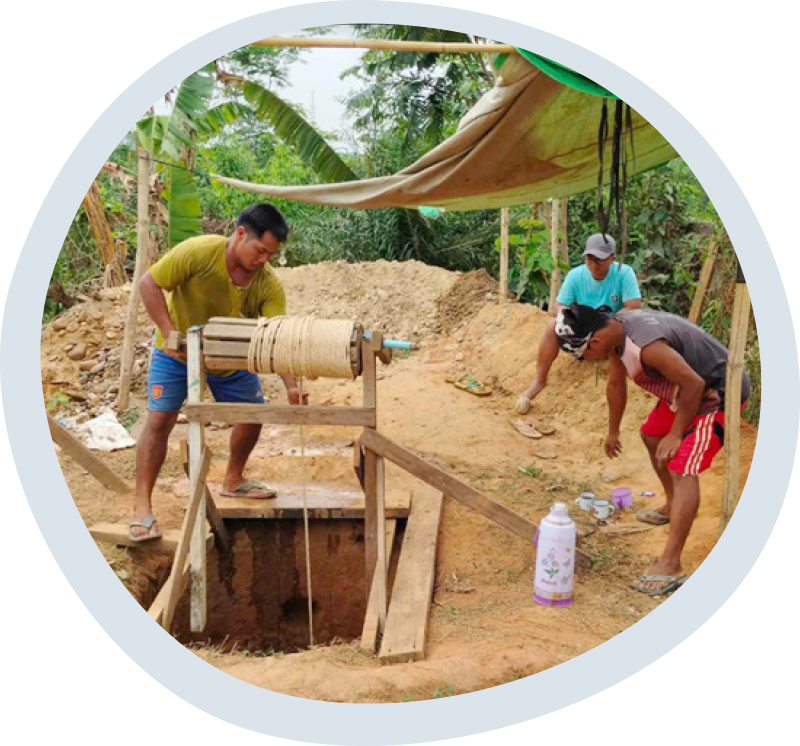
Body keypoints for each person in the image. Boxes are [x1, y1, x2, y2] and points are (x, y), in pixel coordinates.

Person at [130, 203, 307, 542]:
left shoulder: (268, 285)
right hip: (177, 355)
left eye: (270, 254)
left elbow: (276, 337)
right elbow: (148, 284)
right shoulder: (197, 253)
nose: (263, 260)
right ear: (241, 234)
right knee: (159, 421)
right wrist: (169, 333)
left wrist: (291, 385)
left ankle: (234, 480)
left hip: (231, 360)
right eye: (259, 250)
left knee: (252, 414)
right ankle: (142, 508)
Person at [553, 302, 750, 595]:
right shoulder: (617, 333)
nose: (589, 360)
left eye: (585, 355)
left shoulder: (647, 347)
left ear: (594, 341)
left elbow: (694, 383)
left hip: (716, 393)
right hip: (684, 391)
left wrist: (676, 433)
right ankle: (673, 506)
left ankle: (671, 565)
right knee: (651, 435)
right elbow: (616, 385)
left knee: (682, 467)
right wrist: (613, 430)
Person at [516, 233, 642, 414]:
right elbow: (558, 305)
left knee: (633, 323)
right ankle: (539, 380)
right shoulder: (576, 275)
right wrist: (570, 317)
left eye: (599, 260)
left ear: (612, 259)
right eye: (589, 259)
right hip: (581, 335)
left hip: (609, 333)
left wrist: (606, 324)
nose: (593, 265)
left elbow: (634, 306)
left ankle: (634, 372)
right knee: (553, 325)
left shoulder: (624, 273)